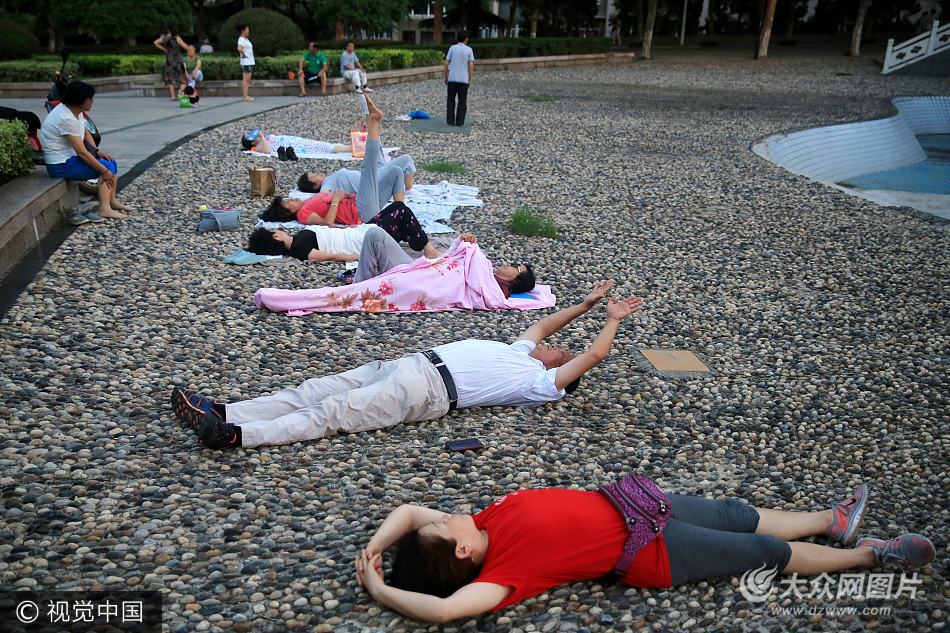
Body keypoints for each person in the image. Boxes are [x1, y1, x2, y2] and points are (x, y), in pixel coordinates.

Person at [353, 484, 936, 623]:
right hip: (652, 550)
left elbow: (406, 512)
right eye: (444, 523)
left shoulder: (482, 521)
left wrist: (376, 547)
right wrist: (381, 590)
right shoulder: (508, 571)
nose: (444, 513)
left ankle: (833, 522)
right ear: (461, 549)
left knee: (736, 512)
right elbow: (446, 611)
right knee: (761, 551)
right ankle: (870, 557)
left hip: (637, 501)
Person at [171, 278, 641, 448]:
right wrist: (586, 305)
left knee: (334, 413)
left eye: (562, 352)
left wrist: (612, 320)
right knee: (316, 390)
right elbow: (543, 325)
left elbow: (594, 354)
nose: (556, 346)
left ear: (560, 371)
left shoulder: (539, 383)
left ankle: (237, 435)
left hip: (429, 392)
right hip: (412, 364)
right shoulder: (520, 350)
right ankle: (224, 411)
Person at [40, 81, 131, 224]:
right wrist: (104, 170)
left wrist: (96, 152)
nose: (92, 101)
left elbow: (86, 132)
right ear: (80, 100)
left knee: (110, 161)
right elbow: (81, 152)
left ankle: (112, 201)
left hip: (70, 159)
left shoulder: (74, 111)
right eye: (90, 98)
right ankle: (105, 208)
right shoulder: (66, 119)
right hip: (61, 165)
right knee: (106, 168)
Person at [349, 228, 534, 298]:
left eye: (516, 267)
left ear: (517, 281)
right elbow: (451, 261)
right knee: (378, 232)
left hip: (417, 280)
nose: (510, 264)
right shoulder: (486, 272)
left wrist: (471, 253)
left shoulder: (496, 290)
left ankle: (356, 289)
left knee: (375, 234)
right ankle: (360, 286)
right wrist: (462, 242)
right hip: (422, 271)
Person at [248, 202, 440, 261]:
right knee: (403, 213)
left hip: (357, 231)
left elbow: (332, 233)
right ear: (275, 236)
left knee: (397, 206)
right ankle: (428, 249)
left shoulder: (300, 237)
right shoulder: (298, 248)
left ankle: (418, 241)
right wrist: (362, 257)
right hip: (362, 240)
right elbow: (331, 256)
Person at [297, 152, 416, 196]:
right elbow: (322, 195)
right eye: (314, 176)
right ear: (315, 186)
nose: (318, 173)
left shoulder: (330, 178)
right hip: (374, 182)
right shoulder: (327, 184)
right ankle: (408, 189)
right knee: (406, 159)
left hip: (371, 175)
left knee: (375, 142)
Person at [241, 130, 352, 156]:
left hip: (294, 141)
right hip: (294, 146)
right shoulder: (259, 145)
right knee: (319, 146)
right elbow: (267, 151)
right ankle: (348, 149)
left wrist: (277, 135)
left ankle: (347, 148)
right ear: (252, 142)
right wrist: (262, 138)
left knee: (317, 143)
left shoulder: (264, 140)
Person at [444, 30, 474, 127]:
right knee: (462, 101)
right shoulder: (469, 50)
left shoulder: (452, 48)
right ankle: (460, 122)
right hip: (463, 79)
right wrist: (469, 79)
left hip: (452, 78)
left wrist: (446, 76)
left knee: (450, 100)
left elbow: (446, 63)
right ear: (466, 39)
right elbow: (471, 66)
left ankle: (450, 121)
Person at [154, 25, 188, 101]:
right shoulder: (177, 38)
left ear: (168, 30)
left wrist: (164, 49)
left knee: (171, 78)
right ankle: (181, 92)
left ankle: (173, 95)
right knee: (182, 78)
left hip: (169, 60)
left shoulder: (164, 38)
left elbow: (156, 42)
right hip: (178, 60)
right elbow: (185, 46)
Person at [237, 24, 255, 102]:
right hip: (246, 62)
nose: (248, 31)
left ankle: (246, 95)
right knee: (246, 80)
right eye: (247, 30)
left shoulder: (246, 39)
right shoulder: (241, 39)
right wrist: (244, 55)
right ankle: (245, 96)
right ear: (243, 31)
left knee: (247, 79)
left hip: (250, 61)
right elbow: (239, 48)